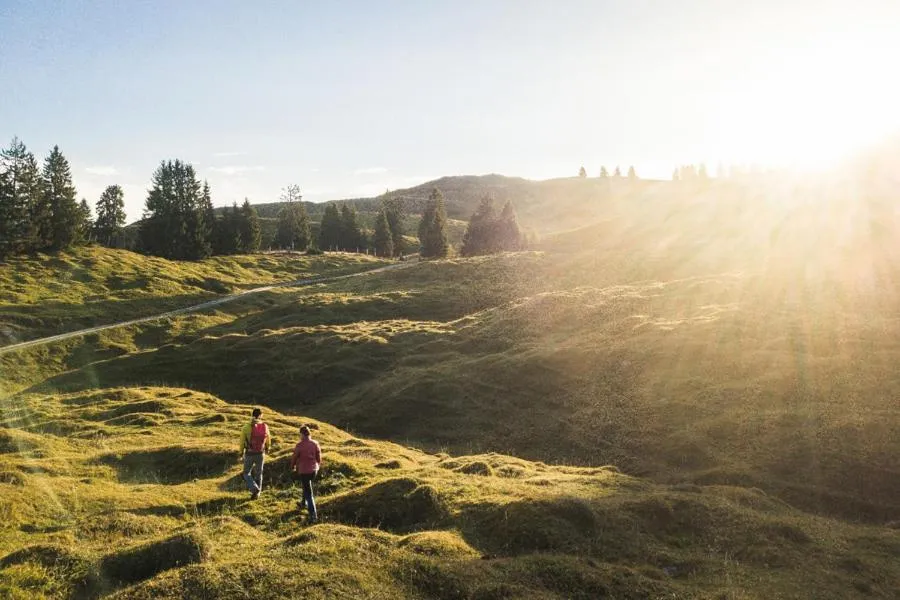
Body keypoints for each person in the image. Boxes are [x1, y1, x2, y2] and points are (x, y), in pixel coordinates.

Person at [290, 425, 321, 523]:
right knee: (306, 485)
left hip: (304, 471)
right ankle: (303, 503)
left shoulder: (299, 445)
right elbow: (318, 457)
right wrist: (317, 466)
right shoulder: (315, 443)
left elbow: (294, 457)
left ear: (302, 434)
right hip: (314, 470)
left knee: (309, 493)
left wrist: (292, 466)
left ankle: (313, 515)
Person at [239, 408, 270, 500]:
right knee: (259, 474)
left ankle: (254, 488)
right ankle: (257, 494)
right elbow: (268, 439)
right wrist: (267, 448)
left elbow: (242, 441)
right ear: (261, 415)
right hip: (260, 453)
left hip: (249, 453)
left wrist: (241, 452)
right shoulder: (265, 426)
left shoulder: (246, 427)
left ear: (252, 415)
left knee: (246, 473)